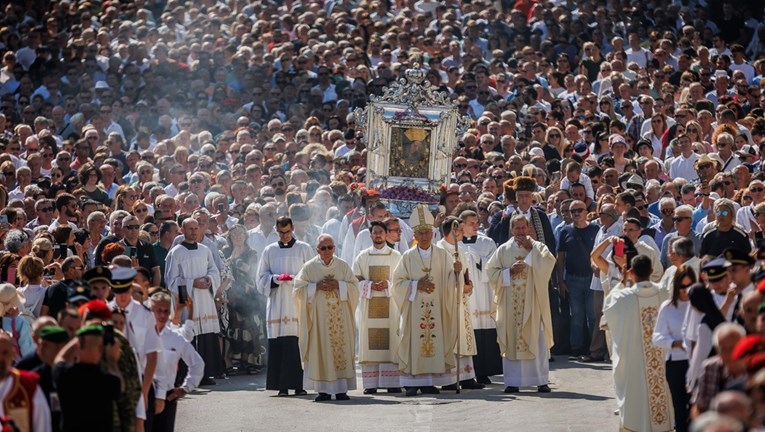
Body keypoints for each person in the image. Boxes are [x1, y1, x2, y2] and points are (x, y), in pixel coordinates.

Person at [392, 204, 459, 397]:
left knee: (434, 338)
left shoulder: (442, 254)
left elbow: (450, 280)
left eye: (427, 232)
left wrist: (456, 272)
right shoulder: (407, 256)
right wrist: (415, 285)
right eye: (420, 233)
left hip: (436, 306)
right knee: (413, 340)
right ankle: (412, 382)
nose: (424, 236)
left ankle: (429, 382)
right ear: (414, 235)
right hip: (414, 308)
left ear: (433, 233)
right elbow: (396, 284)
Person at [603, 255, 674, 432]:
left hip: (634, 361)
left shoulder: (623, 297)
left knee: (636, 393)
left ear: (631, 272)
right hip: (661, 359)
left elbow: (608, 308)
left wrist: (622, 280)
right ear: (651, 271)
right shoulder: (664, 292)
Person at [487, 214, 556, 393]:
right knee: (512, 337)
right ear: (511, 229)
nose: (520, 231)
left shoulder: (539, 247)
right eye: (516, 228)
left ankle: (540, 380)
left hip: (533, 302)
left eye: (523, 228)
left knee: (536, 338)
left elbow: (549, 264)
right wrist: (508, 272)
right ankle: (512, 381)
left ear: (529, 228)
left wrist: (531, 250)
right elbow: (490, 272)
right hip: (511, 304)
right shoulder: (503, 250)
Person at [294, 234, 359, 401]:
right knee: (321, 349)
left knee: (340, 348)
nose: (327, 251)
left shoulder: (343, 266)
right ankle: (323, 391)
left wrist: (339, 285)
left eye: (330, 247)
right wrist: (315, 287)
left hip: (341, 318)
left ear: (334, 248)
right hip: (319, 320)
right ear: (317, 250)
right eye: (323, 248)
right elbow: (297, 290)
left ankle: (341, 391)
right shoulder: (309, 267)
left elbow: (355, 287)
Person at [256, 216, 313, 396]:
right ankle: (281, 386)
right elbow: (260, 278)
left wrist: (295, 279)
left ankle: (299, 385)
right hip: (277, 304)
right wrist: (275, 279)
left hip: (297, 304)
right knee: (279, 344)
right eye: (281, 233)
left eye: (287, 232)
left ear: (293, 228)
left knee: (297, 344)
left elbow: (312, 274)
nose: (284, 236)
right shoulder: (269, 250)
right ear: (276, 230)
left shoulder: (304, 248)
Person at [165, 218, 223, 385]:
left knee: (206, 335)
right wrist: (192, 283)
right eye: (190, 229)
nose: (193, 231)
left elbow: (214, 270)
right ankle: (187, 375)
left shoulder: (205, 250)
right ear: (183, 231)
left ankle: (207, 373)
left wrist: (210, 279)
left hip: (205, 298)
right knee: (189, 335)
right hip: (187, 299)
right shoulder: (176, 252)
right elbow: (171, 281)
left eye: (196, 228)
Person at [107, 267, 161, 431]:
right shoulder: (106, 313)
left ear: (131, 288)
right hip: (112, 379)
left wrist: (143, 391)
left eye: (125, 290)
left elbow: (152, 355)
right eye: (118, 291)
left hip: (139, 379)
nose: (122, 295)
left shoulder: (145, 314)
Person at [351, 221, 403, 394]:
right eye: (375, 232)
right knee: (370, 342)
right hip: (370, 306)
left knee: (391, 342)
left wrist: (388, 285)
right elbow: (354, 281)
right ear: (370, 235)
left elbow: (401, 280)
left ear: (386, 234)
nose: (378, 235)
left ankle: (392, 383)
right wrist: (369, 285)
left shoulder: (396, 256)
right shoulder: (362, 257)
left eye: (381, 232)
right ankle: (371, 384)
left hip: (391, 307)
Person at [437, 216, 484, 390]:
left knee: (464, 337)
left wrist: (468, 285)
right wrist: (457, 286)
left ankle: (467, 376)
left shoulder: (461, 250)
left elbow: (465, 274)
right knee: (451, 339)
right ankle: (449, 379)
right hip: (447, 303)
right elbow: (439, 279)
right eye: (460, 229)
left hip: (461, 302)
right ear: (452, 231)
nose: (463, 232)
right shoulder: (439, 251)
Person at [150, 291, 204, 432]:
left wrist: (185, 388)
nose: (162, 315)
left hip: (168, 396)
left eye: (166, 311)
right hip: (144, 394)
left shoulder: (176, 338)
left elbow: (197, 363)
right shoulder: (141, 335)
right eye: (158, 311)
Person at [459, 210, 501, 384]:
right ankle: (468, 372)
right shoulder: (455, 243)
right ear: (462, 225)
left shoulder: (487, 242)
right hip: (467, 295)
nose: (476, 226)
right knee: (469, 331)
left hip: (484, 293)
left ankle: (484, 371)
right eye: (471, 223)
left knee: (486, 332)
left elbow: (494, 266)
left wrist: (478, 261)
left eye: (477, 222)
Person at [54, 324, 120, 432]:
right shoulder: (108, 381)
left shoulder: (64, 374)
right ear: (100, 348)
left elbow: (59, 359)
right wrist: (111, 360)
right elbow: (120, 385)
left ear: (78, 346)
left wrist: (79, 337)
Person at [653, 266, 695, 432]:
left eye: (689, 287)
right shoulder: (668, 307)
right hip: (676, 362)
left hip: (695, 362)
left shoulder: (698, 305)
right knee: (679, 406)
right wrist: (674, 343)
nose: (685, 291)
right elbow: (657, 336)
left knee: (694, 407)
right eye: (682, 287)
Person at [0, 329, 51, 432]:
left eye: (5, 353)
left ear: (12, 353)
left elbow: (43, 427)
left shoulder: (29, 386)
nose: (0, 358)